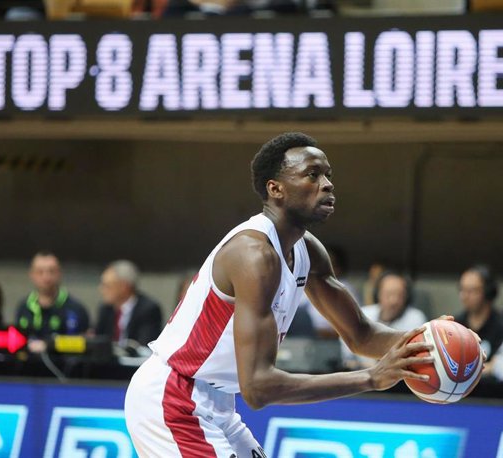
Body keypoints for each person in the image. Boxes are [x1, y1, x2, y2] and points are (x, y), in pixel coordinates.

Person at [125, 132, 449, 457]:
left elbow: (360, 334)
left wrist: (433, 342)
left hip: (216, 401)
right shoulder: (254, 255)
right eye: (312, 175)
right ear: (275, 189)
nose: (327, 184)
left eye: (328, 175)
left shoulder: (308, 251)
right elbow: (258, 388)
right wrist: (369, 378)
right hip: (173, 396)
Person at [343, 271, 427, 369]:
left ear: (407, 297)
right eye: (388, 294)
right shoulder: (363, 314)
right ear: (377, 294)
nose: (393, 300)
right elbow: (347, 359)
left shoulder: (415, 317)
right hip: (361, 376)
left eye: (399, 295)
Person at [15, 251, 89, 353]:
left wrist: (50, 345)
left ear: (59, 273)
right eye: (40, 272)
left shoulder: (76, 309)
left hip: (63, 366)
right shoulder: (23, 307)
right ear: (31, 274)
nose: (46, 277)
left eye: (51, 271)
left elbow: (85, 343)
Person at [95, 260, 163, 347]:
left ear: (124, 286)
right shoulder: (105, 310)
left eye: (107, 286)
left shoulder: (149, 310)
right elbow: (98, 342)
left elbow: (144, 347)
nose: (101, 289)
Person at [455, 265, 503, 361]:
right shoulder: (456, 325)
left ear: (487, 291)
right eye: (462, 290)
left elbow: (502, 363)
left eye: (471, 290)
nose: (464, 296)